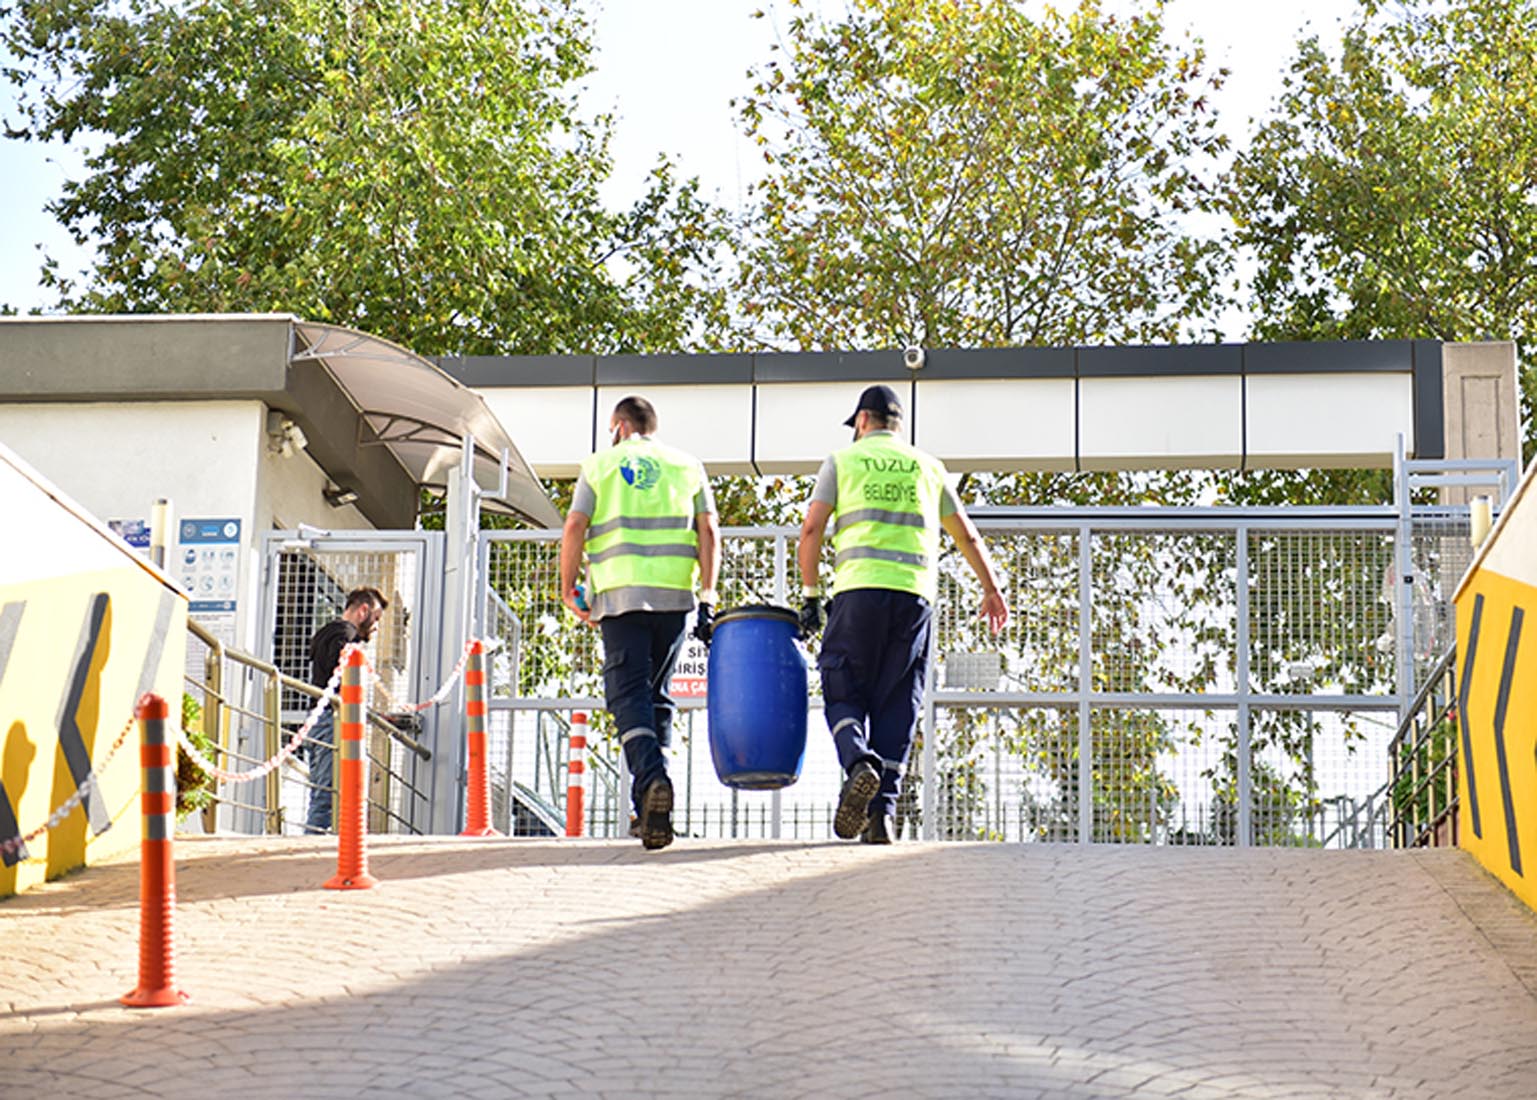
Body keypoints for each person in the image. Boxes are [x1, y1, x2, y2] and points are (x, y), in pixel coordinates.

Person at [797, 383, 1008, 844]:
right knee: (899, 700)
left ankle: (857, 761)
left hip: (856, 594)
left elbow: (812, 527)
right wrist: (992, 589)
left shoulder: (842, 461)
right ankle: (882, 816)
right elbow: (967, 536)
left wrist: (811, 596)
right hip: (914, 600)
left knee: (842, 684)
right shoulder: (929, 468)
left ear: (862, 421)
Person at [560, 396, 720, 850]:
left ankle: (652, 781)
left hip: (620, 597)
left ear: (619, 426)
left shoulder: (599, 465)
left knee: (626, 694)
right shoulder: (688, 466)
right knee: (657, 697)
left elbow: (575, 526)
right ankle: (646, 807)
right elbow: (708, 532)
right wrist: (707, 596)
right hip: (675, 598)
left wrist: (568, 587)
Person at [305, 586, 388, 834]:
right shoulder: (346, 636)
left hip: (319, 718)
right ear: (364, 610)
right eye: (376, 619)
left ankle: (316, 843)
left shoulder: (327, 633)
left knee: (324, 791)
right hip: (332, 720)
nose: (376, 627)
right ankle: (312, 848)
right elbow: (342, 680)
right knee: (327, 795)